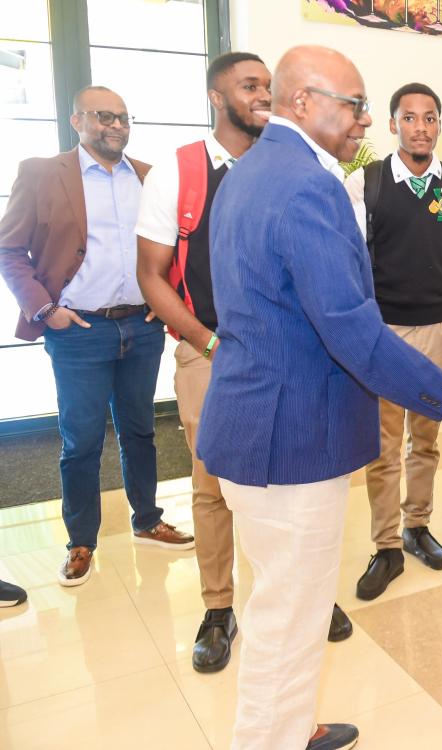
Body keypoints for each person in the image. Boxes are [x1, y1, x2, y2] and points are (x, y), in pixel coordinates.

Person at [195, 45, 442, 750]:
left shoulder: (251, 172)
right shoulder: (308, 188)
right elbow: (350, 327)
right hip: (288, 442)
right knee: (288, 621)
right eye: (351, 104)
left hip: (254, 425)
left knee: (284, 606)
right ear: (301, 103)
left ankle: (291, 725)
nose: (362, 120)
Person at [137, 52, 353, 674]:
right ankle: (218, 606)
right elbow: (151, 277)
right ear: (215, 96)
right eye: (248, 85)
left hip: (293, 356)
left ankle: (302, 593)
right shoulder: (178, 172)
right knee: (213, 485)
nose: (262, 94)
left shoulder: (302, 168)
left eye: (267, 85)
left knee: (299, 481)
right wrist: (206, 343)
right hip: (213, 351)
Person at [0, 85, 194, 589]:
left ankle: (148, 520)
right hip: (80, 330)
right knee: (81, 440)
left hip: (141, 326)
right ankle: (81, 540)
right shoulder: (43, 173)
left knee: (141, 431)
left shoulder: (148, 177)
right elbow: (10, 249)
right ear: (77, 120)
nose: (117, 126)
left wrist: (164, 300)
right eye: (105, 116)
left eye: (125, 118)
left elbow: (174, 249)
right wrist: (47, 309)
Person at [346, 82, 442, 600]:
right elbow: (350, 262)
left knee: (425, 438)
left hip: (436, 328)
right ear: (393, 125)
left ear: (438, 126)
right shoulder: (367, 185)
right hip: (382, 332)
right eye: (410, 118)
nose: (421, 128)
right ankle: (385, 545)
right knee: (383, 446)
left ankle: (416, 526)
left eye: (430, 118)